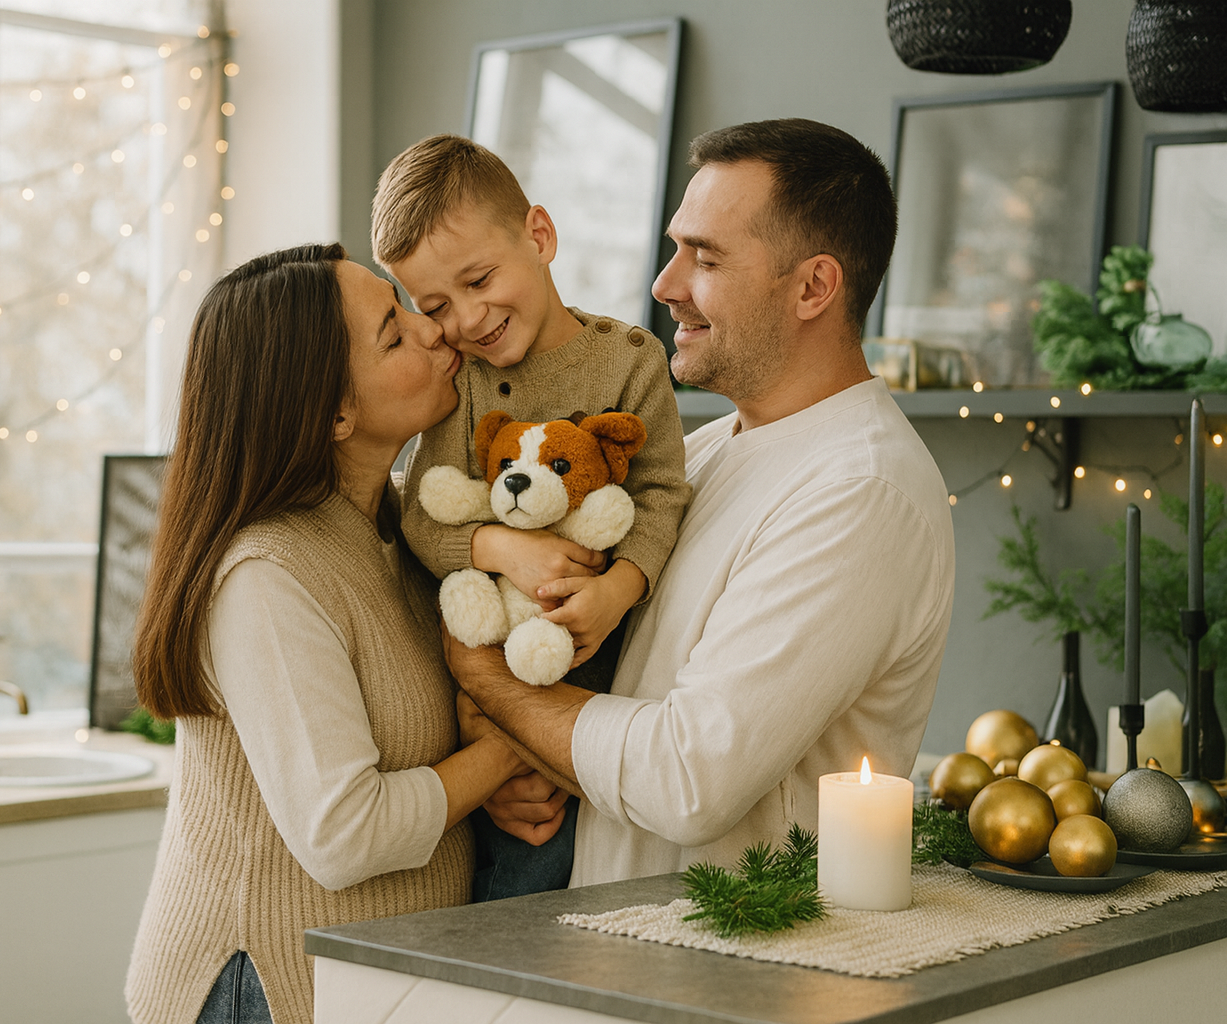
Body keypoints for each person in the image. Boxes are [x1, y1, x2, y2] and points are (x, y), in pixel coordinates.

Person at [445, 119, 956, 885]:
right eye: (675, 245)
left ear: (814, 286)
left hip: (733, 971)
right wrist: (518, 761)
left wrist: (489, 681)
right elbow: (625, 709)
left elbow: (688, 781)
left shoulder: (860, 493)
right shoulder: (706, 450)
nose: (665, 284)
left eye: (705, 257)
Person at [124, 243, 524, 1024]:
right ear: (335, 411)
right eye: (394, 332)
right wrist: (515, 748)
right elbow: (345, 833)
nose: (435, 330)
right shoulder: (266, 575)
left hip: (373, 985)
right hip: (267, 990)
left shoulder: (402, 525)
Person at [370, 134, 692, 899]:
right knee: (518, 855)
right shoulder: (464, 385)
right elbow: (423, 511)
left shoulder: (631, 361)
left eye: (480, 280)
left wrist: (617, 591)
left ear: (539, 237)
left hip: (604, 674)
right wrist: (497, 548)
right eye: (436, 306)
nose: (470, 319)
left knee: (595, 857)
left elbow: (661, 495)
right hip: (486, 672)